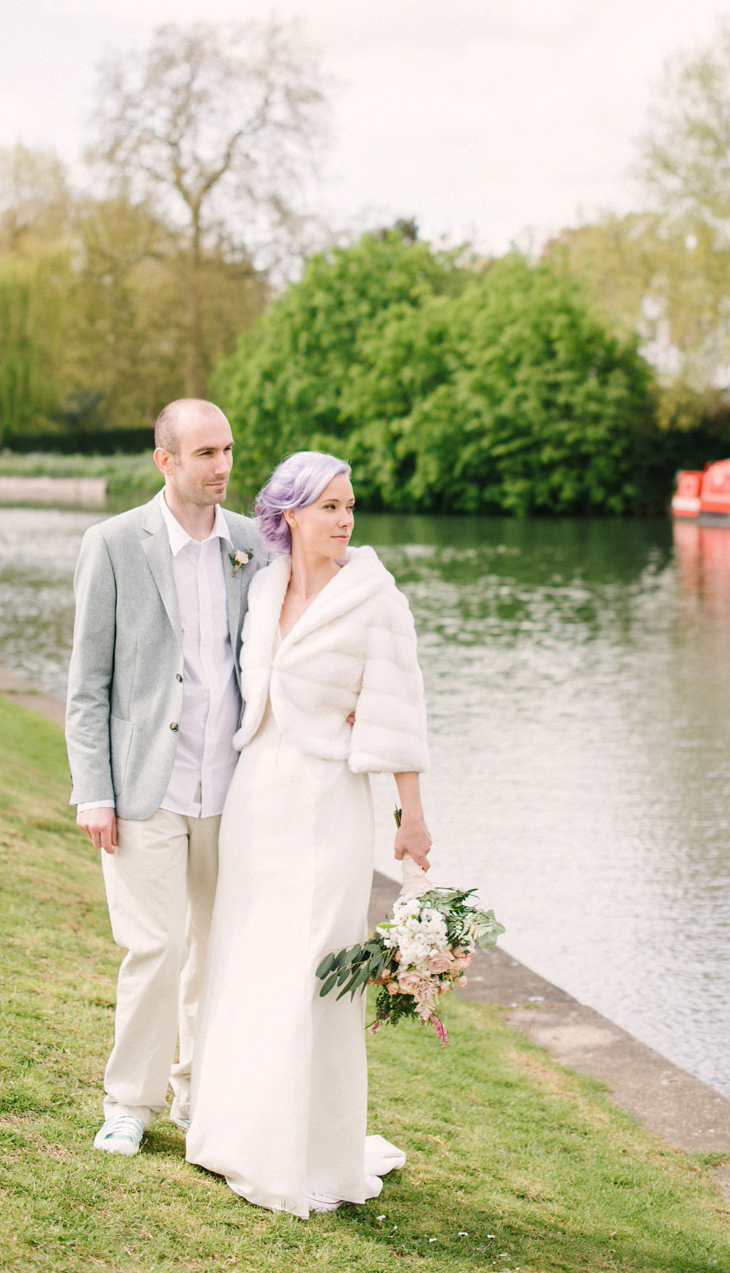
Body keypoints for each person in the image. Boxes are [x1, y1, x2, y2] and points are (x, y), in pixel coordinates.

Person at [185, 450, 432, 1217]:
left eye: (349, 504)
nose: (345, 518)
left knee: (315, 973)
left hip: (330, 802)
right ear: (288, 515)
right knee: (247, 959)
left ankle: (311, 1152)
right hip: (257, 796)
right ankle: (236, 1133)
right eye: (328, 506)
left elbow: (398, 707)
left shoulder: (376, 598)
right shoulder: (260, 587)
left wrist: (412, 817)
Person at [65, 398, 264, 1157]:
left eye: (229, 452)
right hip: (145, 787)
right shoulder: (114, 544)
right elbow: (88, 686)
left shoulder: (252, 544)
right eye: (206, 454)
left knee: (215, 952)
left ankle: (196, 1094)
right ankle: (129, 1104)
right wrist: (95, 791)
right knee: (154, 948)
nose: (222, 468)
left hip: (232, 790)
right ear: (166, 461)